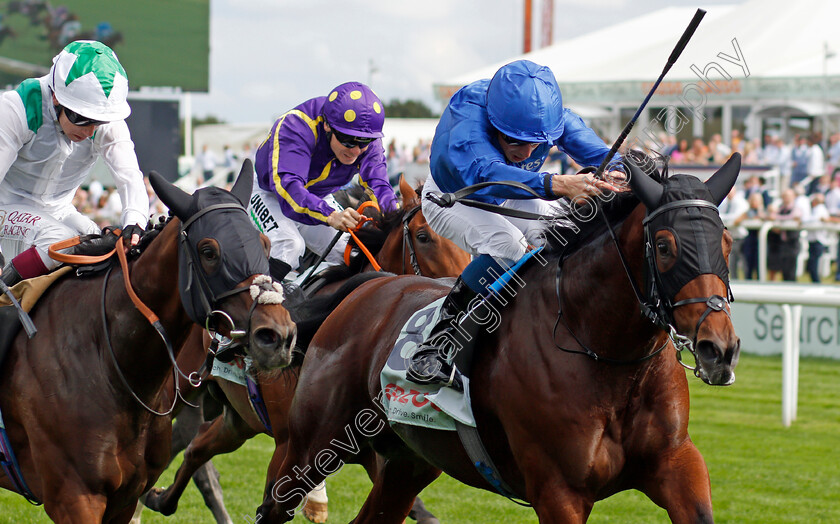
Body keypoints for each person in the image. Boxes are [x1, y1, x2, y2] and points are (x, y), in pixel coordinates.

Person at [407, 59, 624, 390]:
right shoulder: (467, 110)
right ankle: (435, 346)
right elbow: (485, 174)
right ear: (495, 121)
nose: (526, 151)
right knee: (508, 246)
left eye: (537, 143)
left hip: (514, 192)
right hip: (455, 197)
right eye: (515, 141)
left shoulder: (549, 116)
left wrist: (620, 169)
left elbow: (595, 151)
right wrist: (558, 185)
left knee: (562, 240)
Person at [0, 40, 146, 287]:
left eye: (97, 122)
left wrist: (135, 222)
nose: (90, 132)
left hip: (59, 209)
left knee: (97, 241)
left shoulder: (107, 121)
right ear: (56, 97)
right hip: (6, 206)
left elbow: (130, 176)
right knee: (60, 238)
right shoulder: (16, 107)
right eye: (82, 119)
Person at [249, 81, 397, 282]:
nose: (355, 151)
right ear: (327, 125)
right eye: (347, 140)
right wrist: (330, 215)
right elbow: (289, 188)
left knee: (354, 254)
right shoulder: (297, 126)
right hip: (270, 193)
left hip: (318, 197)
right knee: (291, 246)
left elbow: (379, 185)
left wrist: (397, 219)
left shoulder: (368, 137)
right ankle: (256, 303)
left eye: (363, 143)